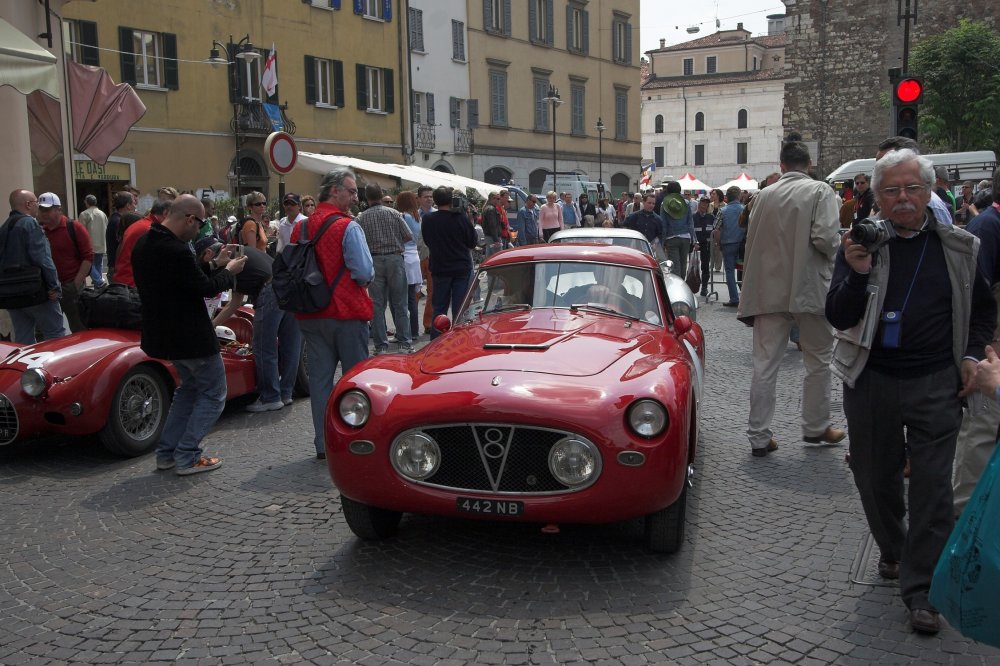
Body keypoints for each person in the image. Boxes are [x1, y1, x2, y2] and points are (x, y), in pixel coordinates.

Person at [825, 149, 996, 635]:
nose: (903, 198)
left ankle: (922, 590)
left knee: (932, 487)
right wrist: (856, 273)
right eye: (892, 191)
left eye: (912, 189)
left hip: (934, 383)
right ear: (875, 197)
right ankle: (896, 549)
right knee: (875, 479)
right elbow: (837, 314)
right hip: (872, 379)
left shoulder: (958, 247)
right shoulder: (861, 244)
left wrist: (969, 356)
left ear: (930, 192)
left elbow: (983, 311)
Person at [738, 140, 844, 458]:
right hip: (809, 288)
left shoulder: (762, 196)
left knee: (765, 365)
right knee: (818, 360)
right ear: (808, 165)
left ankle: (758, 435)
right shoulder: (821, 192)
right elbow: (826, 240)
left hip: (768, 291)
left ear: (782, 166)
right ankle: (815, 426)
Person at [132, 194, 247, 475]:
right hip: (191, 336)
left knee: (188, 391)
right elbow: (204, 289)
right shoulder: (178, 249)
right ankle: (187, 455)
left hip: (163, 334)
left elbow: (184, 279)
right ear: (189, 219)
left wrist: (215, 264)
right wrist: (229, 271)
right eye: (200, 224)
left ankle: (167, 453)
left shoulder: (145, 242)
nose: (200, 231)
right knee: (214, 394)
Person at [291, 168, 374, 459]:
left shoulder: (300, 228)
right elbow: (363, 271)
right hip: (346, 312)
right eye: (351, 191)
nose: (354, 197)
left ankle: (323, 444)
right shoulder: (347, 226)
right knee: (356, 382)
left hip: (311, 313)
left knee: (321, 382)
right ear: (334, 190)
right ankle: (358, 443)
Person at [953, 166, 1000, 514]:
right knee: (980, 431)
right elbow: (974, 299)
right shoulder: (986, 227)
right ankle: (964, 515)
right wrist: (979, 351)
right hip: (991, 353)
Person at [212, 243, 300, 412]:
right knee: (291, 345)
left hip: (271, 290)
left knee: (262, 345)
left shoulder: (236, 263)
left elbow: (234, 303)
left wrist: (212, 325)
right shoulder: (248, 252)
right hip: (289, 285)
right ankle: (285, 393)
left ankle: (270, 397)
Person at [355, 182, 413, 354]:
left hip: (374, 260)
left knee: (377, 305)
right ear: (381, 195)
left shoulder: (361, 218)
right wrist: (395, 243)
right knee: (400, 302)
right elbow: (409, 235)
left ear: (367, 198)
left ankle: (381, 346)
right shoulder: (394, 214)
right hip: (395, 258)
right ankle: (405, 343)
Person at [2, 190, 66, 343]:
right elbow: (43, 259)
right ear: (28, 204)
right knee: (55, 334)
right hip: (35, 291)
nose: (38, 205)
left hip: (10, 294)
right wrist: (54, 287)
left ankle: (25, 367)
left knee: (23, 338)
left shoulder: (4, 227)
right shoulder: (30, 223)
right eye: (36, 201)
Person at [421, 186, 478, 339]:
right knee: (460, 309)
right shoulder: (460, 218)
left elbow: (427, 240)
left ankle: (436, 341)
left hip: (440, 267)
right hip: (460, 268)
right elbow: (472, 242)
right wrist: (469, 219)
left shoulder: (428, 219)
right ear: (451, 200)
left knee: (439, 308)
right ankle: (459, 340)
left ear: (436, 200)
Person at [36, 193, 94, 333]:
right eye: (41, 210)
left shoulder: (74, 227)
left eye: (48, 210)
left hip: (70, 285)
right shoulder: (38, 230)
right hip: (47, 288)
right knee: (46, 330)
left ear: (59, 210)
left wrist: (76, 284)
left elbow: (88, 256)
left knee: (79, 327)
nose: (44, 214)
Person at [113, 199, 169, 288]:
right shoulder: (150, 229)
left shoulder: (143, 224)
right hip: (133, 283)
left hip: (125, 280)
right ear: (165, 214)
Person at [395, 190, 423, 341]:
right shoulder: (417, 217)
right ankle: (414, 330)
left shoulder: (403, 216)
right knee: (413, 298)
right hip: (415, 257)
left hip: (404, 256)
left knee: (403, 299)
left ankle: (405, 332)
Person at [715, 186, 745, 306]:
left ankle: (734, 298)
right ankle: (747, 298)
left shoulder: (723, 210)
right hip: (743, 243)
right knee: (746, 271)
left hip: (728, 243)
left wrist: (718, 243)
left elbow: (716, 229)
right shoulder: (744, 209)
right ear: (738, 196)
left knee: (729, 271)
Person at [660, 181, 697, 277]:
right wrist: (694, 239)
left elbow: (663, 225)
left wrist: (662, 241)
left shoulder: (664, 204)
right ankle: (683, 284)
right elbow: (690, 222)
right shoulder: (686, 202)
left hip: (671, 237)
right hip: (686, 237)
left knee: (675, 266)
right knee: (683, 264)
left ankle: (678, 287)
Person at [79, 195, 108, 287]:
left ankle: (98, 280)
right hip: (102, 242)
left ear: (87, 202)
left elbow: (81, 231)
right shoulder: (102, 214)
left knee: (89, 264)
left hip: (90, 244)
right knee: (98, 263)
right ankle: (98, 281)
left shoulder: (84, 214)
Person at [692, 197, 714, 297]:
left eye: (706, 203)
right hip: (694, 245)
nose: (704, 205)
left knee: (705, 267)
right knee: (693, 267)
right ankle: (691, 286)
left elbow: (714, 230)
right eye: (702, 203)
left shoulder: (711, 217)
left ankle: (704, 288)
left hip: (706, 245)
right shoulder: (693, 217)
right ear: (699, 204)